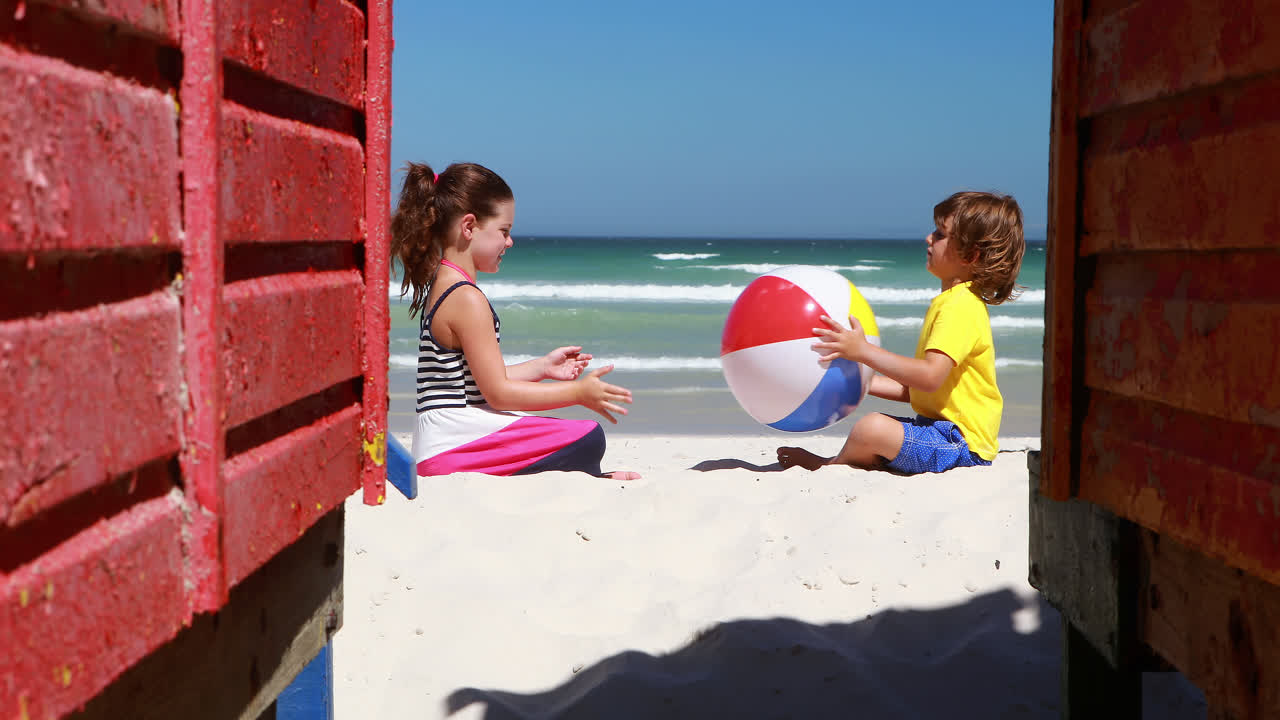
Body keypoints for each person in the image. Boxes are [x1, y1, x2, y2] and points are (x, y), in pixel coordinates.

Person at [391, 161, 638, 479]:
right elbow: (498, 394)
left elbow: (480, 380)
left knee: (581, 437)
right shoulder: (466, 298)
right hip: (455, 444)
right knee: (589, 436)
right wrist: (578, 394)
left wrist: (542, 368)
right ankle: (591, 476)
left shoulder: (445, 285)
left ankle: (587, 474)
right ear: (469, 227)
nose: (510, 242)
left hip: (442, 439)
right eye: (504, 232)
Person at [777, 191, 1026, 474]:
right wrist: (861, 382)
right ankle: (845, 462)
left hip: (961, 444)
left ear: (970, 255)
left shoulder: (960, 307)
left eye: (940, 234)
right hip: (935, 430)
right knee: (874, 428)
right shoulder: (951, 302)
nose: (928, 238)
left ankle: (829, 465)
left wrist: (863, 351)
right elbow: (916, 390)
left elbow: (929, 377)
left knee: (871, 428)